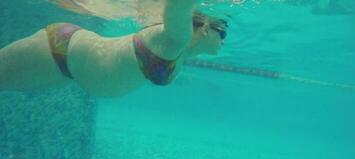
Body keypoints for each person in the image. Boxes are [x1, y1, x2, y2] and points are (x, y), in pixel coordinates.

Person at [0, 0, 228, 97]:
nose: (224, 40)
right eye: (223, 33)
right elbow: (179, 6)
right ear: (206, 28)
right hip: (62, 49)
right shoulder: (178, 37)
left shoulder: (181, 51)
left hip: (67, 72)